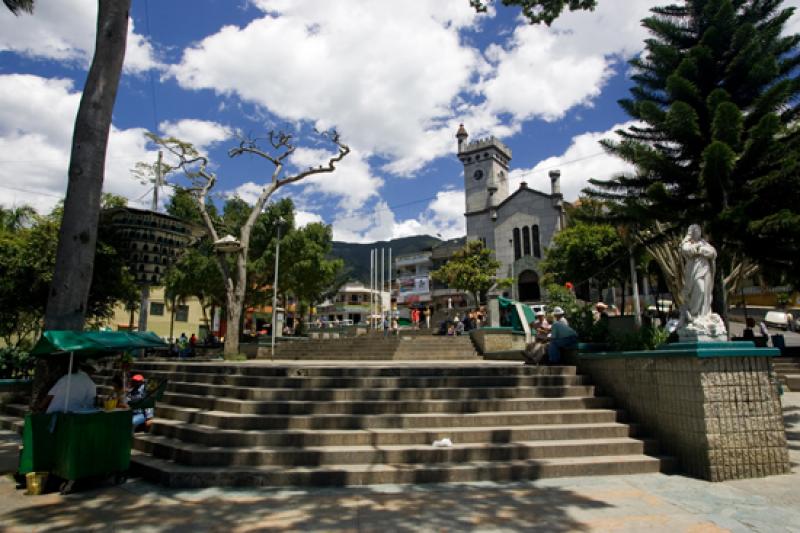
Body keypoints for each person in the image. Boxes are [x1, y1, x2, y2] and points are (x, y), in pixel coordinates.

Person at [679, 224, 717, 324]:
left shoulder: (703, 242)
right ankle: (693, 313)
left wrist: (702, 250)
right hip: (694, 271)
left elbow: (713, 252)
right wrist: (697, 248)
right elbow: (686, 250)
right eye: (696, 231)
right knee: (700, 289)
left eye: (699, 231)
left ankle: (703, 315)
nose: (698, 233)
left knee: (706, 292)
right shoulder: (687, 243)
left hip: (705, 269)